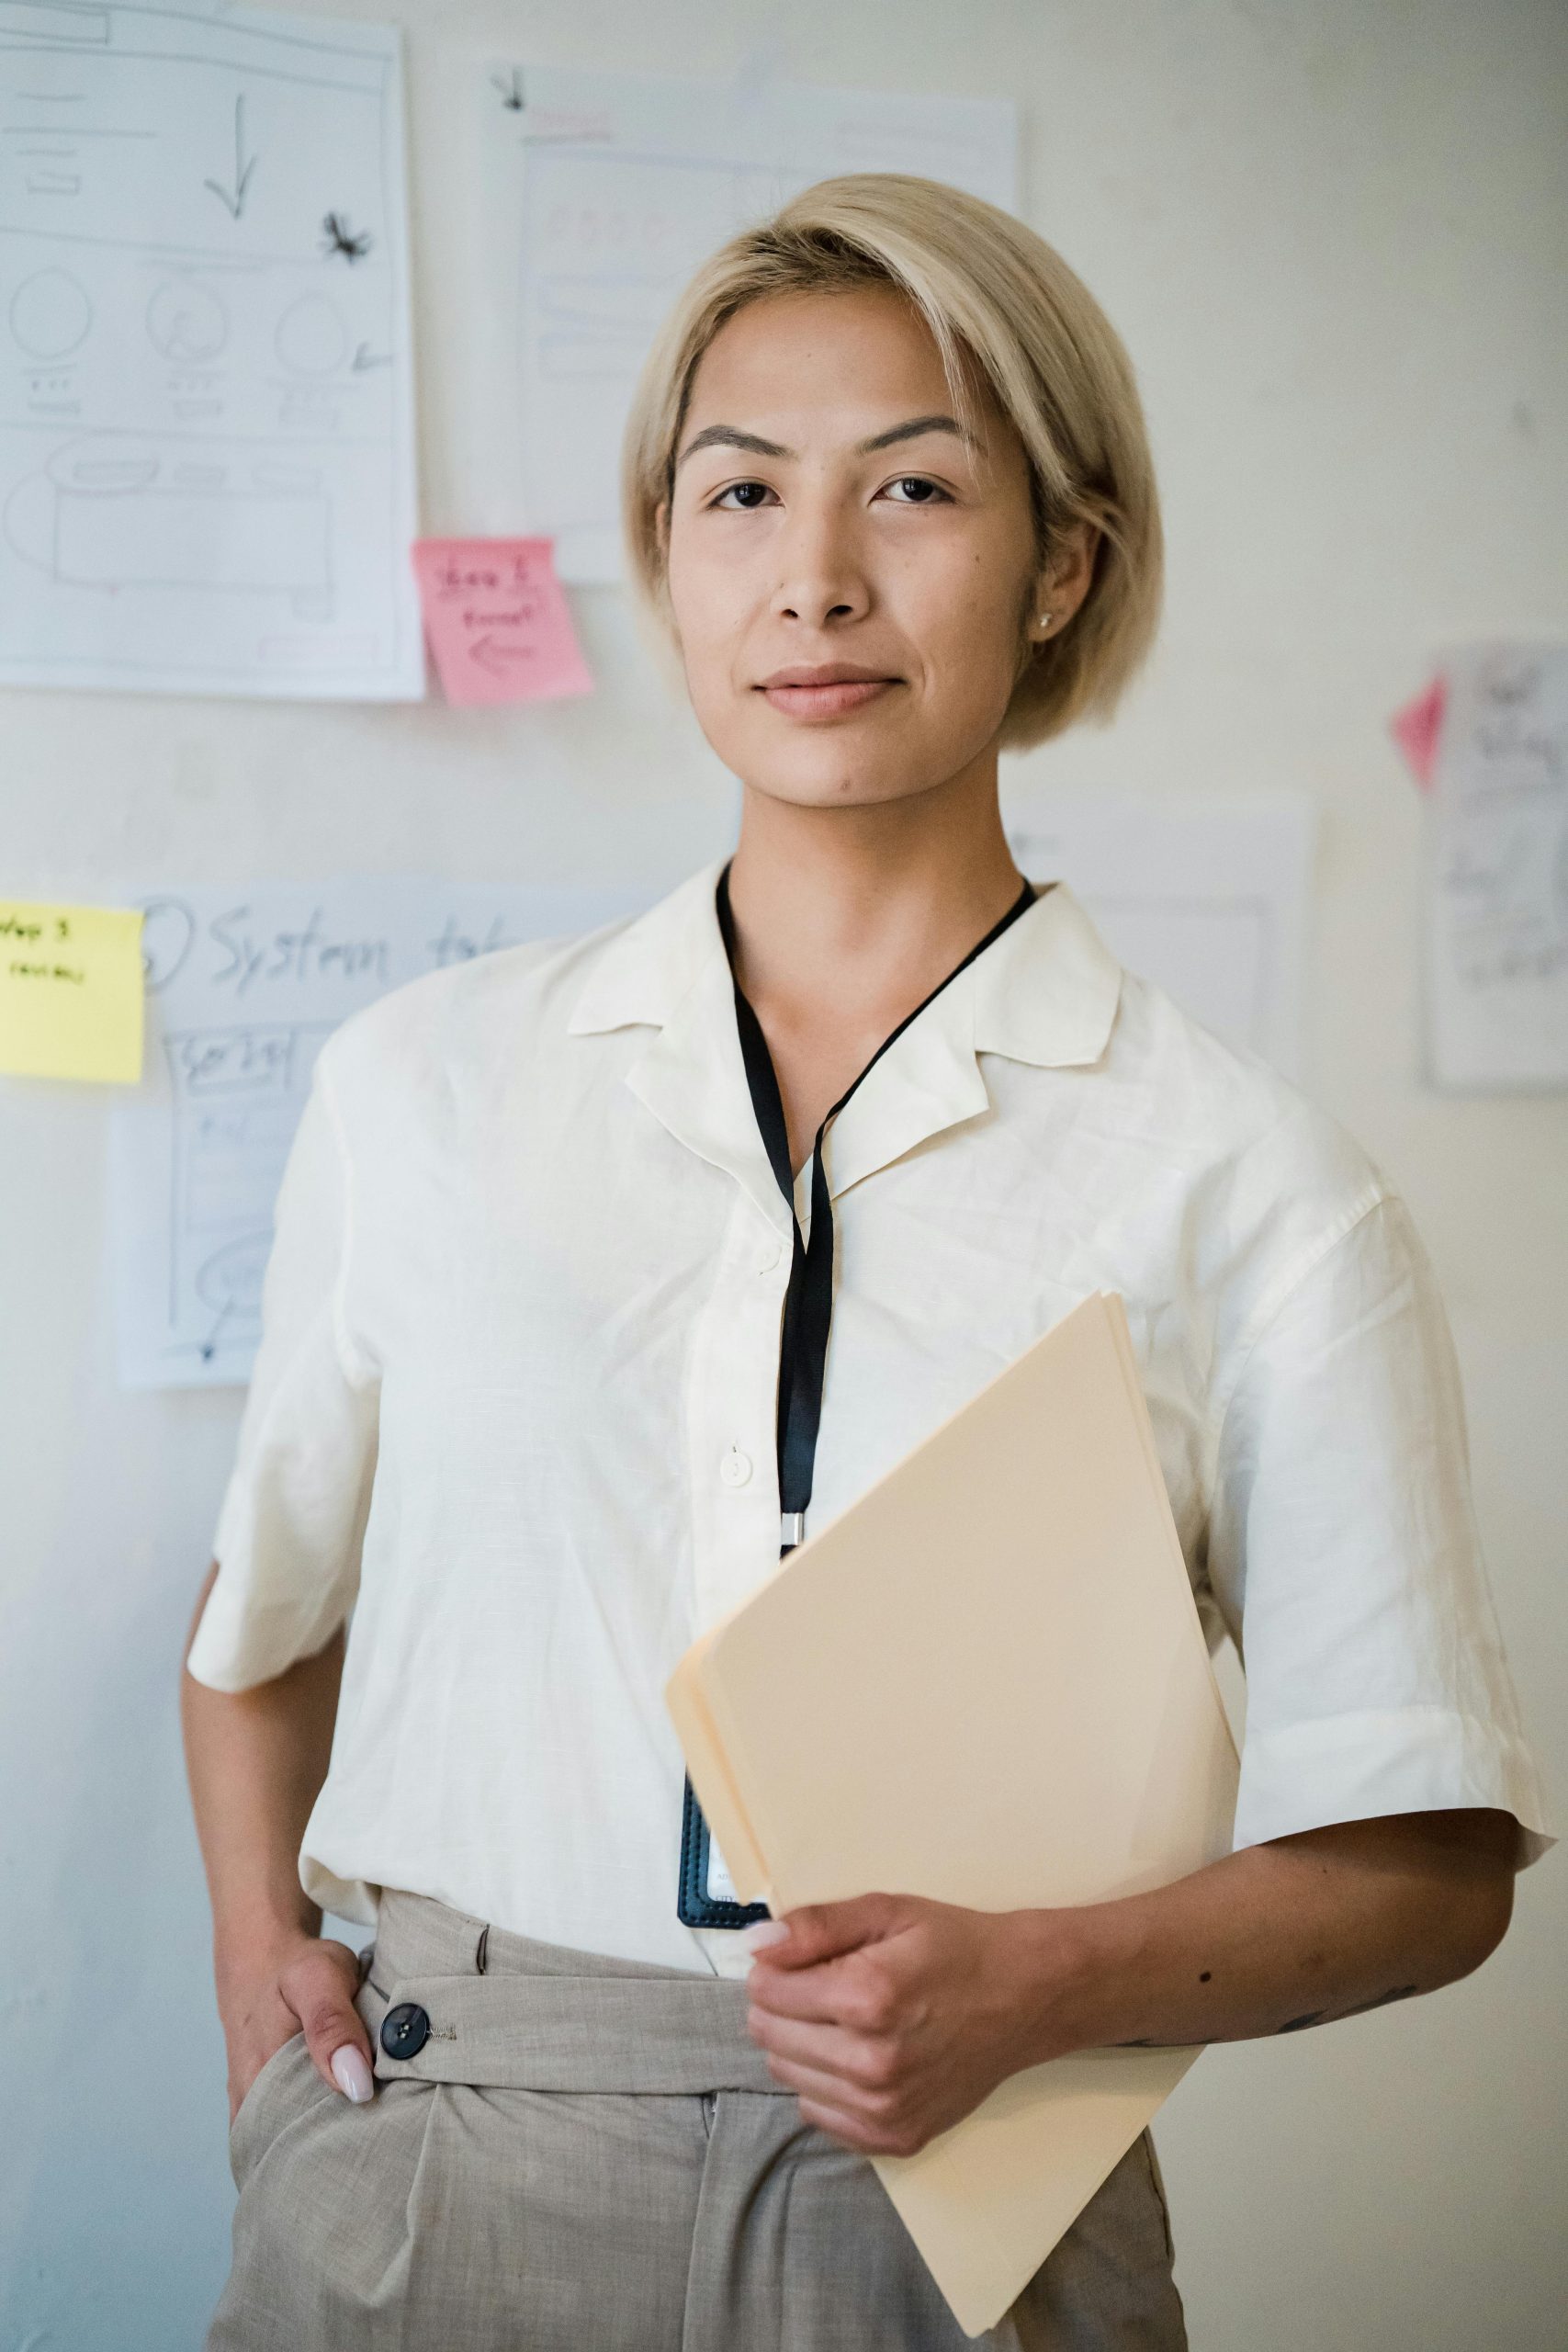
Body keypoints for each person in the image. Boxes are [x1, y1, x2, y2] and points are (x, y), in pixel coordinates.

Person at [182, 173, 1551, 2352]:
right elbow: (259, 1618)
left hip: (960, 2205)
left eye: (911, 485)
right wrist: (265, 1962)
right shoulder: (417, 1088)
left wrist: (1043, 1984)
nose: (811, 579)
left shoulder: (1250, 1183)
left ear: (1060, 564)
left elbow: (1430, 1856)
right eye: (738, 492)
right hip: (440, 2173)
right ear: (664, 555)